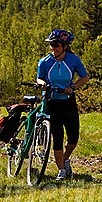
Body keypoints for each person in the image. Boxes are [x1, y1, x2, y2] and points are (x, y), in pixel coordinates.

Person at [36, 29, 90, 180]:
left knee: (73, 137)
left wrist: (72, 87)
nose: (53, 48)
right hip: (52, 102)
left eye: (56, 45)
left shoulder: (73, 60)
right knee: (57, 136)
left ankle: (65, 158)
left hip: (68, 101)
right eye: (51, 45)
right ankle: (61, 170)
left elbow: (84, 78)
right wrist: (43, 84)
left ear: (65, 46)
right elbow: (39, 79)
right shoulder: (45, 62)